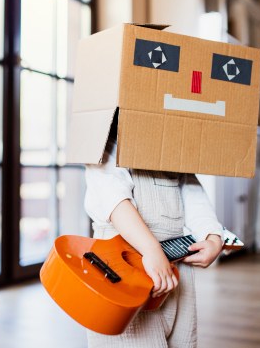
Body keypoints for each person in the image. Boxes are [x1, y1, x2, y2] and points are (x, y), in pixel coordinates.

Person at [84, 118, 224, 348]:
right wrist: (151, 249)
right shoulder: (104, 143)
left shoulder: (172, 146)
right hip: (124, 270)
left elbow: (190, 188)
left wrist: (212, 236)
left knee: (183, 341)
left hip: (176, 271)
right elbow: (115, 201)